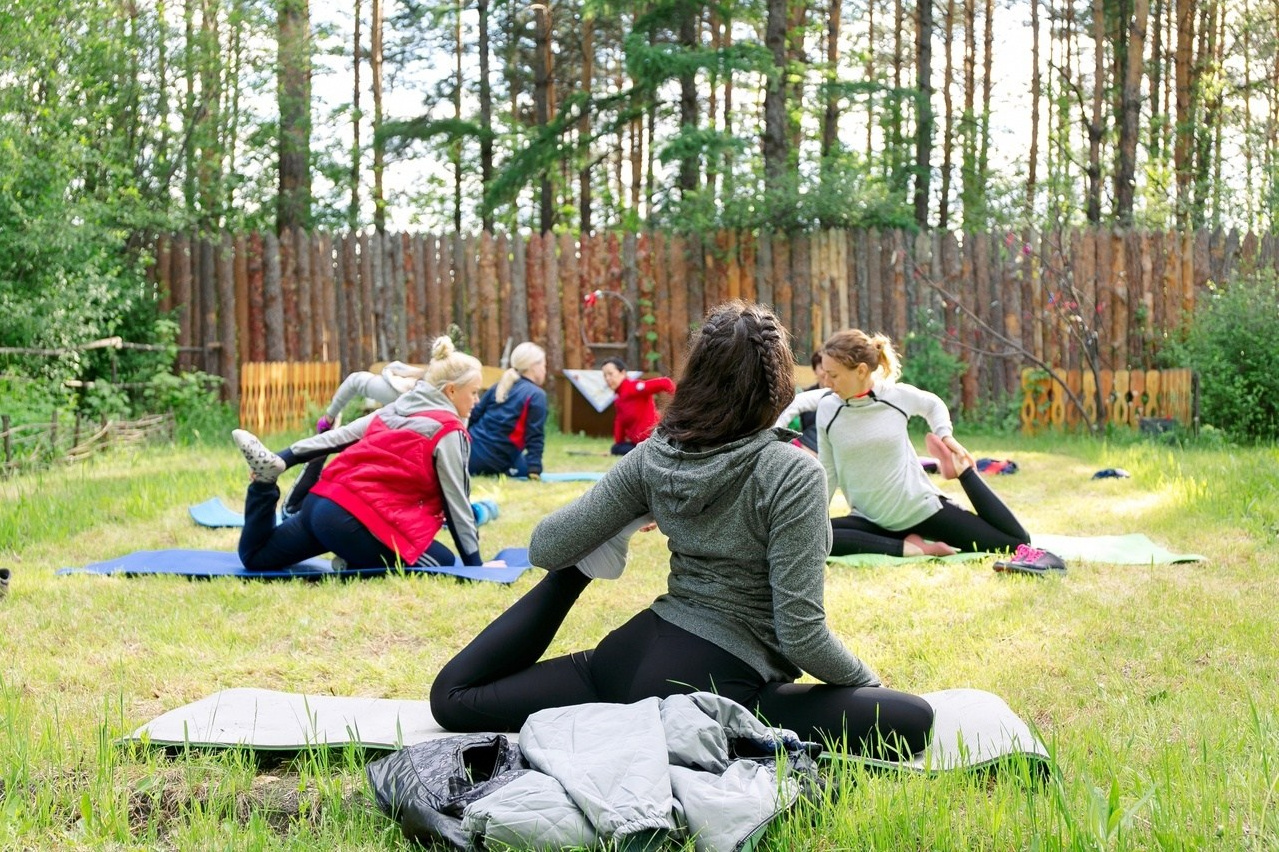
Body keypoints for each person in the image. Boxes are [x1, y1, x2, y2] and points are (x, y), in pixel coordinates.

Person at [430, 301, 935, 757]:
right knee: (913, 719)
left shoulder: (655, 455)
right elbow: (800, 635)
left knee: (454, 701)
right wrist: (868, 685)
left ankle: (591, 567)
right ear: (777, 382)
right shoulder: (792, 471)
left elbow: (545, 546)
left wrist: (598, 542)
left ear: (696, 373)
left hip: (628, 660)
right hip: (715, 688)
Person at [231, 336, 487, 571]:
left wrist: (284, 458)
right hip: (352, 523)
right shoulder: (449, 431)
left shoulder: (394, 410)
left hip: (321, 503)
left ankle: (264, 486)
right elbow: (457, 504)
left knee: (257, 557)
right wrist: (476, 566)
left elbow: (337, 438)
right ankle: (354, 561)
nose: (477, 400)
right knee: (442, 561)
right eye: (474, 392)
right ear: (451, 390)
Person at [817, 328, 1031, 558]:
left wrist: (945, 436)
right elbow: (828, 472)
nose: (826, 382)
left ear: (860, 371)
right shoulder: (828, 410)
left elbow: (933, 404)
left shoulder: (895, 397)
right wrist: (815, 519)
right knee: (808, 537)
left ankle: (963, 471)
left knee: (1016, 542)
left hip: (920, 510)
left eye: (833, 375)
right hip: (869, 519)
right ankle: (911, 548)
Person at [467, 342, 548, 479]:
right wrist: (534, 468)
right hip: (495, 460)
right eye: (544, 365)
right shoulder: (536, 395)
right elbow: (535, 435)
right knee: (521, 468)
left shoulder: (499, 386)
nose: (545, 370)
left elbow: (473, 415)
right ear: (534, 366)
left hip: (468, 453)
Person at [600, 358, 675, 455]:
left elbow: (665, 382)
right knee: (616, 449)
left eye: (610, 374)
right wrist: (618, 443)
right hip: (638, 444)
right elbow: (620, 423)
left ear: (622, 373)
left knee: (618, 449)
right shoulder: (619, 399)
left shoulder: (634, 388)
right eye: (605, 375)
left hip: (653, 441)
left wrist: (680, 401)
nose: (607, 379)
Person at [772, 351, 831, 456]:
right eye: (822, 367)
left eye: (830, 369)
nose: (826, 372)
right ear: (815, 369)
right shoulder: (804, 395)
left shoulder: (839, 395)